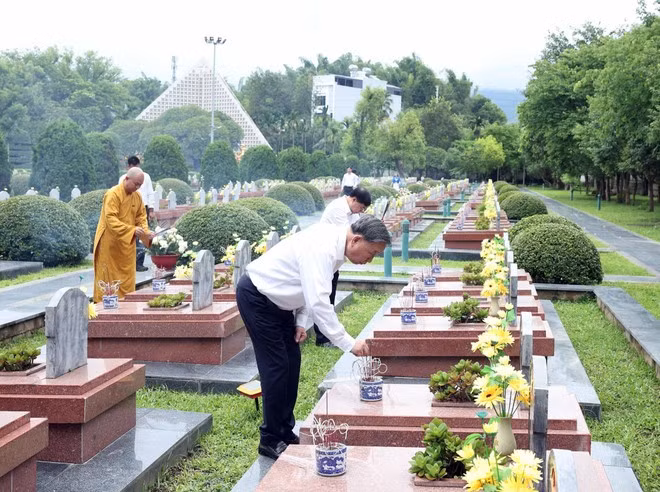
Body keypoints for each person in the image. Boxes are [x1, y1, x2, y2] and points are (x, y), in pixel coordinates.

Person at [236, 215, 391, 460]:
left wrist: (299, 322)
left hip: (282, 304)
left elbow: (309, 289)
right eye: (371, 253)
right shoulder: (323, 247)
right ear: (356, 240)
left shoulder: (336, 248)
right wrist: (349, 343)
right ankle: (270, 439)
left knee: (292, 363)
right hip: (258, 298)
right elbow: (320, 302)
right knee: (276, 367)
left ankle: (285, 432)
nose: (369, 260)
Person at [313, 186, 372, 347]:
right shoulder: (338, 209)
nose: (360, 211)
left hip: (333, 259)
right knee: (323, 298)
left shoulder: (351, 211)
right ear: (353, 199)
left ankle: (327, 335)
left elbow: (358, 227)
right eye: (360, 207)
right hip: (322, 257)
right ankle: (322, 338)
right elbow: (351, 235)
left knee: (329, 297)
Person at [94, 167, 155, 302]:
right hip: (110, 244)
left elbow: (141, 217)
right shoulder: (113, 194)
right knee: (109, 282)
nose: (138, 187)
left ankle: (127, 306)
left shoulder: (137, 196)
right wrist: (131, 230)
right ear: (126, 179)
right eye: (136, 184)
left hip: (127, 244)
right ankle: (106, 310)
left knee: (127, 279)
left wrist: (146, 232)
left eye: (140, 185)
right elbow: (111, 219)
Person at [119, 155, 155, 272]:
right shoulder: (123, 178)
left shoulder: (146, 177)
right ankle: (128, 262)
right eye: (131, 166)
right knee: (129, 235)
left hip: (142, 207)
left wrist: (151, 209)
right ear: (128, 167)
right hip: (127, 210)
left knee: (142, 235)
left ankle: (139, 262)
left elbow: (150, 193)